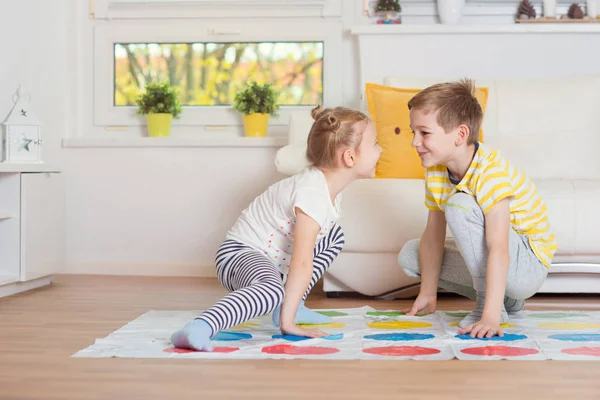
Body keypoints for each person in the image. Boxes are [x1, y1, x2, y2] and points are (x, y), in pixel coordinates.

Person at [171, 105, 382, 351]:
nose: (381, 150)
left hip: (268, 258)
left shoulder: (328, 190)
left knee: (334, 235)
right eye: (375, 143)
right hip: (239, 254)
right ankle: (201, 326)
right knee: (271, 292)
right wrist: (288, 324)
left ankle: (288, 305)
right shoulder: (312, 194)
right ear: (350, 157)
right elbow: (301, 263)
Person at [398, 79, 557, 338]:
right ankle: (508, 301)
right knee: (410, 255)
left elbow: (499, 247)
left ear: (460, 135)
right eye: (413, 132)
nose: (415, 142)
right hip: (503, 265)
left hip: (527, 263)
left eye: (424, 133)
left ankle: (492, 304)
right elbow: (433, 236)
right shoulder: (436, 170)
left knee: (459, 205)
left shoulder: (490, 172)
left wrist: (489, 315)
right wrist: (428, 292)